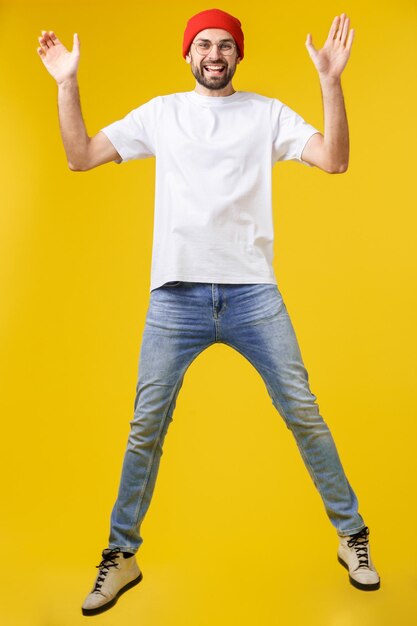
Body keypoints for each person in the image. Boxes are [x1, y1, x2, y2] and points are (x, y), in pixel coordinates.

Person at [37, 8, 380, 616]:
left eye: (225, 44)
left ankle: (352, 536)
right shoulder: (162, 114)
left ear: (238, 55)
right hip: (176, 295)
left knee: (303, 412)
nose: (214, 53)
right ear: (188, 55)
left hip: (252, 292)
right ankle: (122, 555)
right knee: (146, 428)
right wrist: (67, 82)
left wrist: (331, 81)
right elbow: (80, 156)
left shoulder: (266, 113)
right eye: (203, 44)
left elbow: (334, 159)